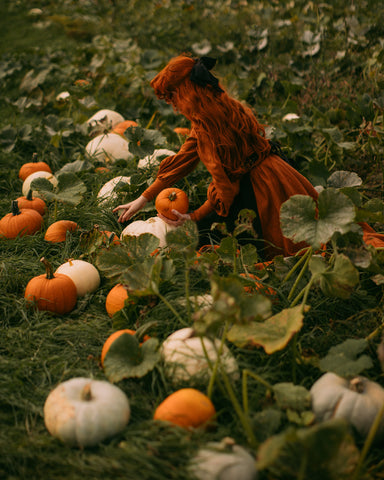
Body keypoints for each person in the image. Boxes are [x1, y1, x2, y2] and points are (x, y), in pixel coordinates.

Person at [113, 54, 384, 260]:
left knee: (215, 241)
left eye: (173, 98)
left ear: (187, 93)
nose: (172, 105)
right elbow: (184, 159)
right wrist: (143, 198)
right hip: (279, 173)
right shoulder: (222, 107)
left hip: (255, 192)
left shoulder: (208, 128)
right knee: (319, 227)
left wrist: (195, 217)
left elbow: (226, 188)